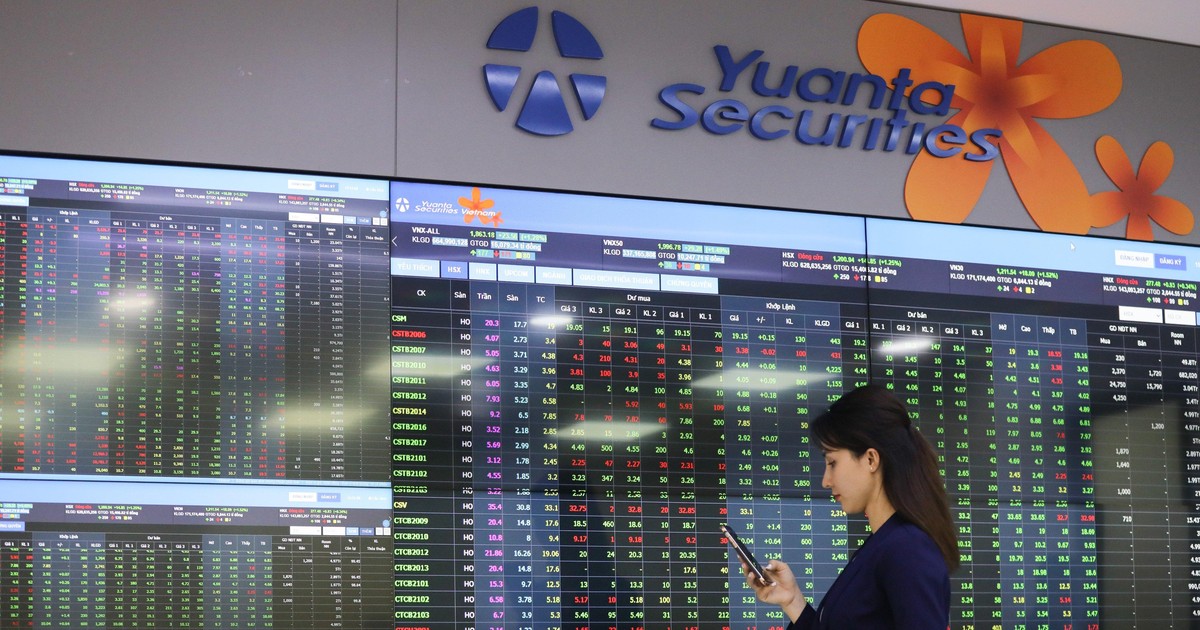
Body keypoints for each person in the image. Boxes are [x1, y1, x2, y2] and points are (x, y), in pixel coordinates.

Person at [742, 383, 959, 629]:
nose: (826, 481)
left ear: (870, 459)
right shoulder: (882, 545)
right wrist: (792, 601)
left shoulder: (907, 549)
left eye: (832, 462)